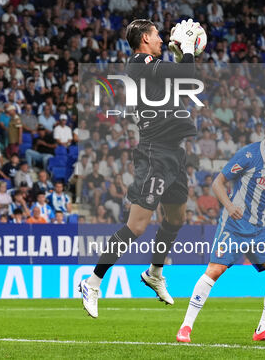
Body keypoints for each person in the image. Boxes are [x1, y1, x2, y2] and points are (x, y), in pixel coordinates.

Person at [80, 18, 200, 318]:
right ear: (144, 39)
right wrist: (186, 46)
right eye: (157, 35)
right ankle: (92, 283)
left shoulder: (151, 67)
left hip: (174, 152)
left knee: (176, 218)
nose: (162, 39)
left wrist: (179, 50)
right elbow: (187, 73)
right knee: (136, 225)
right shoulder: (140, 62)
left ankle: (154, 273)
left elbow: (179, 75)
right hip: (155, 153)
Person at [176, 108, 265, 343]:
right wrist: (229, 206)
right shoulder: (249, 155)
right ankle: (185, 327)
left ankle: (262, 330)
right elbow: (218, 183)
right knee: (214, 271)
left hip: (261, 230)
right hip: (234, 226)